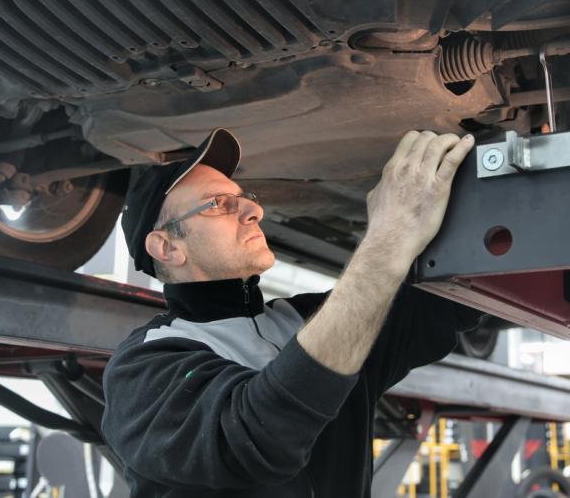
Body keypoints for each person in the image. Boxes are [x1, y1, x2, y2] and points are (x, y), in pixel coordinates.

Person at [101, 127, 481, 497]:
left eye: (244, 197)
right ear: (166, 248)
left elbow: (449, 299)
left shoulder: (310, 320)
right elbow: (259, 436)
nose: (254, 209)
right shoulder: (144, 368)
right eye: (219, 204)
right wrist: (388, 236)